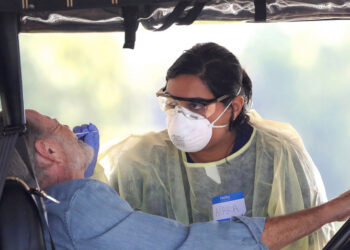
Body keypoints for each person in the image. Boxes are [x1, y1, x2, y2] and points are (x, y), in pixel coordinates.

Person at [97, 42, 334, 249]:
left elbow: (307, 241)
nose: (180, 116)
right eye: (172, 103)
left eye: (196, 106)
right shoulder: (140, 162)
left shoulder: (277, 157)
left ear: (235, 106)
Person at [6, 109, 349, 250]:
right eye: (57, 123)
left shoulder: (47, 209)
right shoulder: (75, 204)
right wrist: (331, 211)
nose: (69, 127)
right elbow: (192, 244)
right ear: (48, 150)